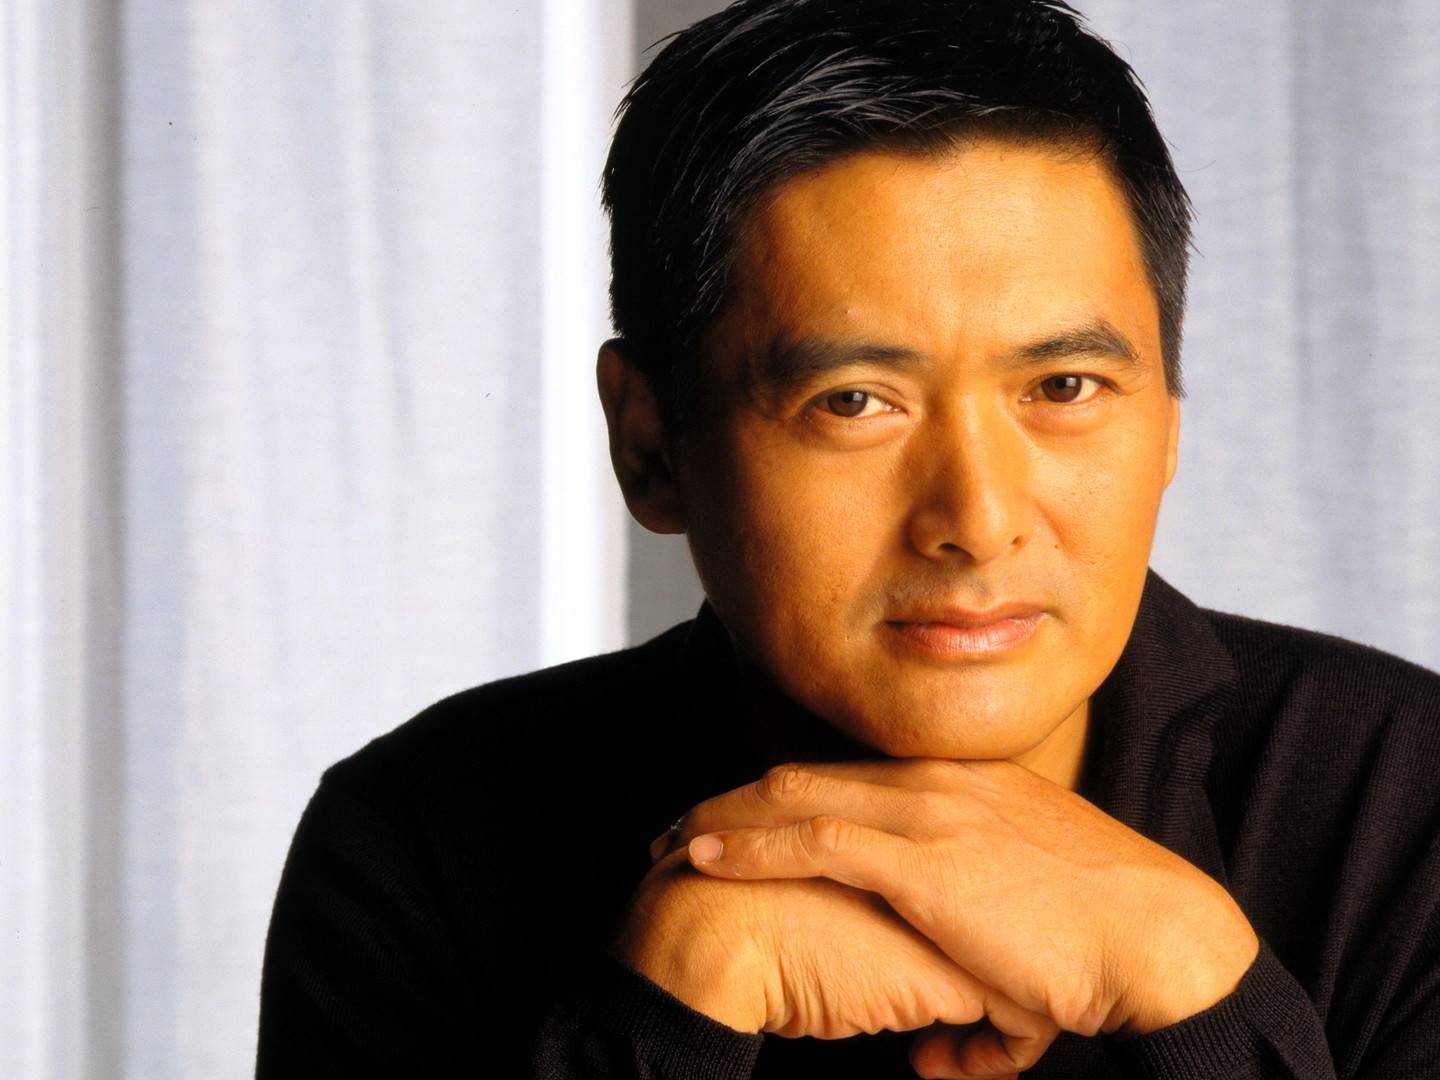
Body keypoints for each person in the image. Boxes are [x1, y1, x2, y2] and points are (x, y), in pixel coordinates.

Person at [255, 2, 1440, 1077]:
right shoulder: (424, 841)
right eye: (855, 402)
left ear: (1170, 421)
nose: (977, 519)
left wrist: (1203, 996)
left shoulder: (1405, 802)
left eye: (1065, 387)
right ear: (650, 444)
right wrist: (665, 1014)